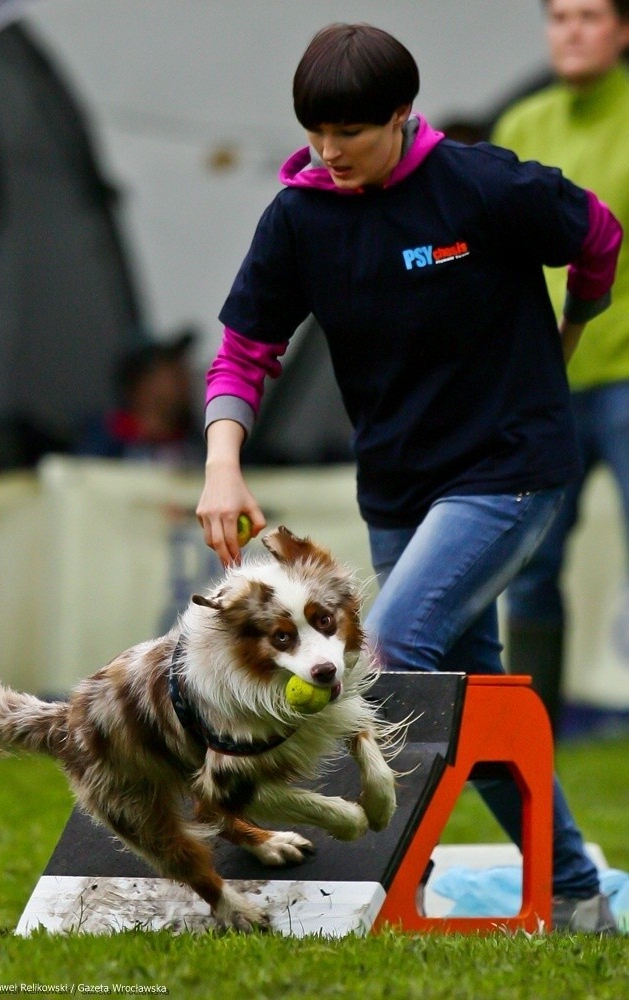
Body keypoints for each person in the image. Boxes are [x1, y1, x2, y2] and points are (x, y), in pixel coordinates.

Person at [195, 23, 622, 932]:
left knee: (385, 653)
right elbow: (243, 352)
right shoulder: (300, 216)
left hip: (512, 467)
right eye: (315, 131)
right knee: (474, 693)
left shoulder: (483, 184)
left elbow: (597, 234)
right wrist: (221, 465)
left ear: (401, 116)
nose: (329, 151)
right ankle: (579, 892)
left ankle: (355, 886)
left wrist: (574, 332)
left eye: (349, 132)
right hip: (397, 488)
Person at [491, 0, 629, 737]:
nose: (571, 30)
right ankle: (532, 735)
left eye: (588, 15)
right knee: (530, 567)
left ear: (623, 30)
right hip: (545, 382)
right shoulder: (522, 125)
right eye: (559, 17)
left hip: (628, 376)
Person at [76, 329, 204, 467]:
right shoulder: (105, 438)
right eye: (171, 371)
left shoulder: (194, 440)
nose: (185, 378)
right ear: (140, 385)